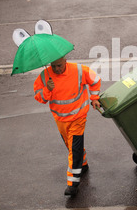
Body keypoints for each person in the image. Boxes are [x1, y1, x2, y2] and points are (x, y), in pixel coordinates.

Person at [33, 56, 101, 196]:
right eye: (54, 66)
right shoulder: (45, 76)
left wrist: (94, 98)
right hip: (61, 119)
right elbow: (40, 97)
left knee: (74, 150)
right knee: (71, 146)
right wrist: (47, 89)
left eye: (60, 65)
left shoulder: (79, 70)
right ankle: (83, 164)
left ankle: (73, 184)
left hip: (78, 117)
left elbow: (95, 80)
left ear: (65, 60)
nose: (57, 69)